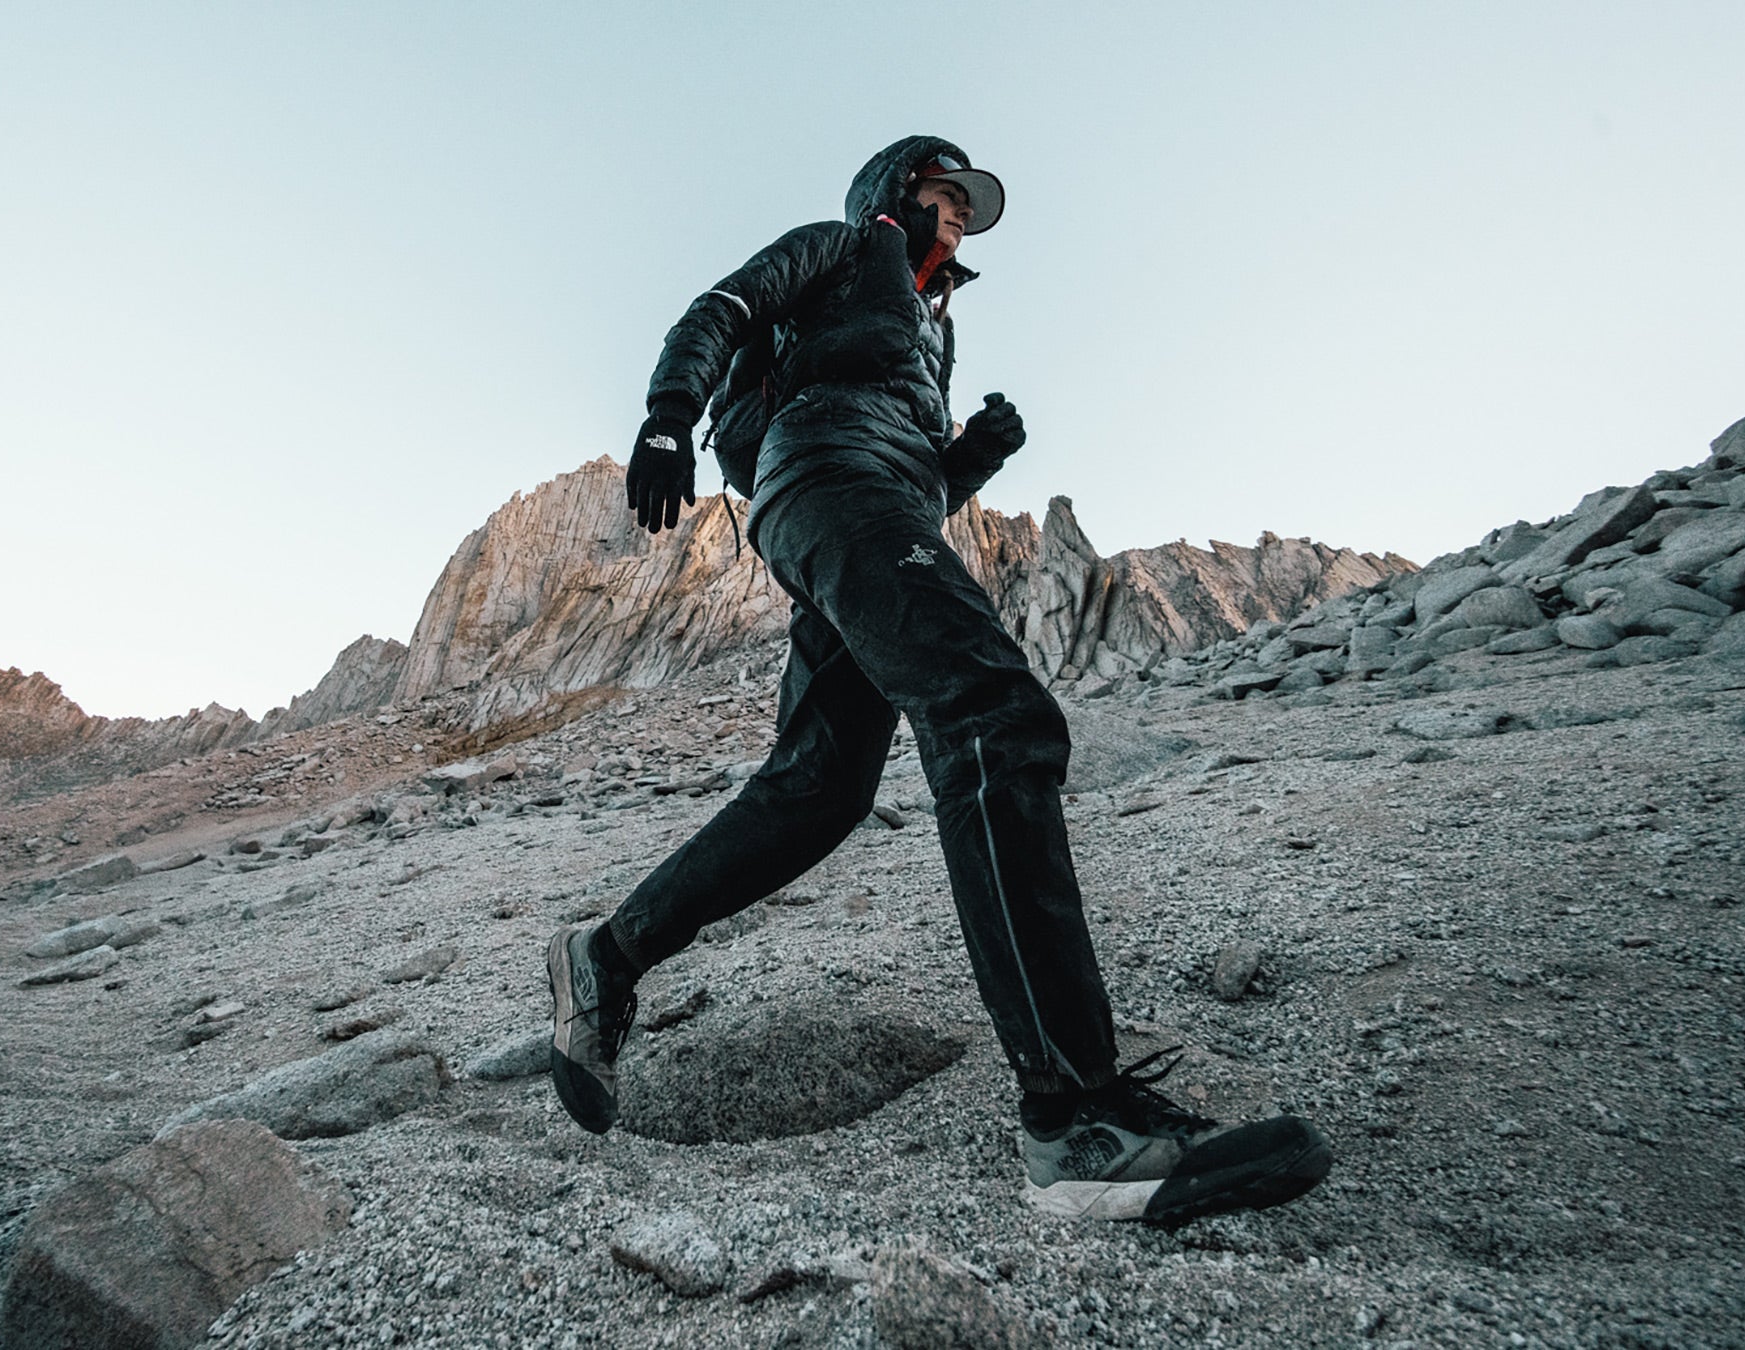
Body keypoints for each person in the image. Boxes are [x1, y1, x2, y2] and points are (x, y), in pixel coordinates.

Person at [548, 135, 1332, 1225]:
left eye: (968, 204)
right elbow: (720, 310)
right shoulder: (835, 248)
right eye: (941, 192)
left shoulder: (932, 329)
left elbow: (913, 483)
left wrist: (974, 459)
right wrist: (668, 414)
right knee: (995, 719)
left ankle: (606, 955)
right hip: (827, 485)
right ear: (893, 195)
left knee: (820, 788)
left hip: (866, 504)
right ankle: (1078, 1124)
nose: (958, 213)